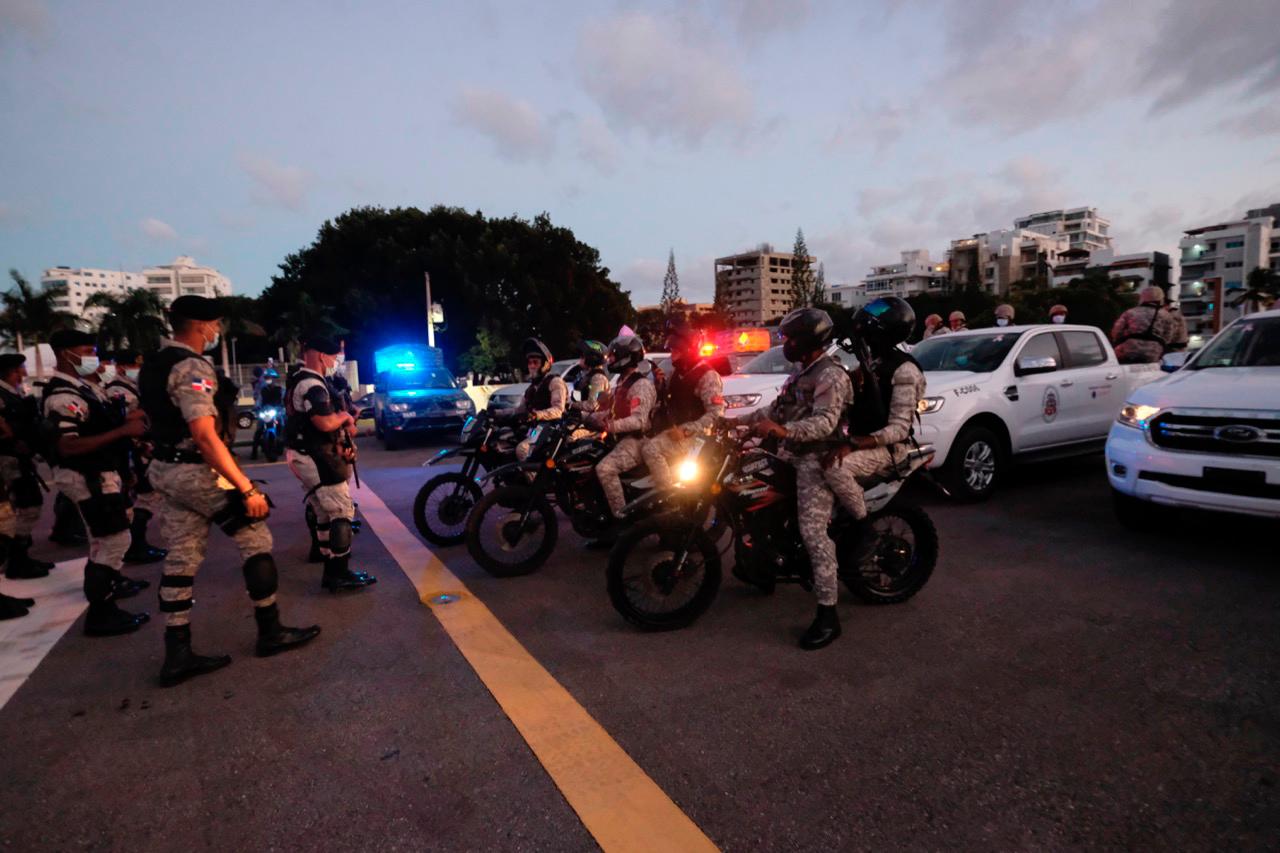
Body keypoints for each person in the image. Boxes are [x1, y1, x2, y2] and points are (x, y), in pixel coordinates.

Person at [141, 296, 320, 686]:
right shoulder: (190, 365)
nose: (217, 330)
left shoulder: (154, 364)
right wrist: (246, 487)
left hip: (165, 470)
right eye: (215, 324)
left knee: (182, 556)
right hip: (196, 471)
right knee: (255, 534)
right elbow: (204, 436)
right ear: (201, 326)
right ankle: (270, 631)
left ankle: (177, 652)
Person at [728, 308, 852, 651]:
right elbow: (774, 411)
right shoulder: (800, 374)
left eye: (790, 338)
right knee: (748, 497)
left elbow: (826, 423)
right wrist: (733, 422)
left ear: (809, 340)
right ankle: (763, 568)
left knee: (814, 533)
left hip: (817, 457)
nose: (785, 343)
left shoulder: (830, 375)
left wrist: (782, 431)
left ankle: (829, 615)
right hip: (789, 453)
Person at [42, 329, 150, 636]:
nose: (94, 358)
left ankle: (108, 602)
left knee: (111, 540)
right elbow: (68, 446)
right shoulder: (64, 396)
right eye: (87, 350)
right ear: (66, 353)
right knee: (109, 543)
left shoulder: (85, 389)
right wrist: (121, 433)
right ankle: (101, 614)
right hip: (86, 477)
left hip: (102, 473)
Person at [825, 296, 927, 560]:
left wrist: (855, 443)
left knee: (834, 468)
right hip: (860, 439)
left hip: (888, 450)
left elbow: (899, 430)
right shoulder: (871, 364)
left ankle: (863, 529)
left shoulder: (904, 370)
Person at [284, 334, 375, 593]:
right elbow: (323, 423)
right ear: (322, 356)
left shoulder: (298, 380)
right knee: (343, 511)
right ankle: (338, 572)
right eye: (335, 356)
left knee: (324, 513)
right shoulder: (313, 384)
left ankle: (327, 560)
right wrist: (344, 415)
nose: (336, 361)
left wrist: (345, 420)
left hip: (303, 453)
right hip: (316, 456)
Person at [102, 349, 167, 564]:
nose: (137, 370)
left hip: (141, 448)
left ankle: (137, 543)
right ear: (121, 367)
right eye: (133, 366)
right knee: (145, 496)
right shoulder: (116, 389)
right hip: (131, 451)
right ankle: (135, 545)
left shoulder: (132, 387)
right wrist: (145, 412)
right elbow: (118, 417)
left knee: (148, 496)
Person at [642, 326, 725, 490]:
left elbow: (716, 414)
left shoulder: (707, 376)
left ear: (688, 350)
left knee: (650, 450)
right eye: (671, 350)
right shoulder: (676, 373)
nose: (672, 355)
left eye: (676, 351)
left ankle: (668, 495)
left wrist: (686, 430)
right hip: (674, 432)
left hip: (697, 438)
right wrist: (659, 385)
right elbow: (669, 401)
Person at [590, 335, 657, 526]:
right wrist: (585, 418)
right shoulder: (622, 382)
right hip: (619, 438)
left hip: (637, 441)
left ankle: (622, 521)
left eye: (613, 356)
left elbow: (638, 421)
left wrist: (609, 426)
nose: (609, 359)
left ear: (627, 357)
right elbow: (608, 411)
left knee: (605, 469)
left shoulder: (641, 385)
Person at [0, 353, 55, 579]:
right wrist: (12, 439)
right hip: (8, 459)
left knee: (28, 505)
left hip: (19, 458)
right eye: (19, 370)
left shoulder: (14, 393)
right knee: (27, 506)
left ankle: (20, 556)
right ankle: (15, 560)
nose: (23, 373)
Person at [505, 338, 567, 462]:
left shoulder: (555, 382)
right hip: (534, 429)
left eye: (535, 362)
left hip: (551, 429)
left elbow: (558, 410)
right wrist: (497, 413)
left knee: (522, 449)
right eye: (529, 363)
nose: (532, 366)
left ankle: (536, 481)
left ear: (545, 364)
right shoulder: (532, 388)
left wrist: (535, 415)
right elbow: (520, 409)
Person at [1111, 286, 1175, 364]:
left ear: (1142, 297)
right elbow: (1168, 337)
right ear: (1161, 298)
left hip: (1128, 350)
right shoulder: (1167, 315)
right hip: (1153, 353)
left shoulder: (1131, 312)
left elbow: (1116, 331)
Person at [249, 369, 284, 460]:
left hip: (277, 411)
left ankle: (282, 443)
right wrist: (256, 408)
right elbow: (258, 401)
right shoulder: (263, 390)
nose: (268, 379)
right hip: (265, 412)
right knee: (259, 429)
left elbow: (284, 400)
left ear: (275, 378)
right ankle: (254, 451)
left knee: (282, 425)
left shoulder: (281, 389)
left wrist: (283, 407)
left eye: (270, 377)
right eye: (266, 377)